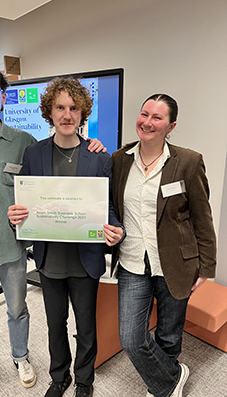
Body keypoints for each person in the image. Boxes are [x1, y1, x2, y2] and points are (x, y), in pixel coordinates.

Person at [0, 62, 104, 396]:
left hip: (26, 250)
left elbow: (89, 197)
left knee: (28, 312)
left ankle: (37, 363)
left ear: (3, 96)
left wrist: (95, 146)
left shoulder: (32, 144)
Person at [8, 77, 124, 397]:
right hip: (49, 260)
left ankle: (84, 381)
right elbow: (26, 204)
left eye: (74, 108)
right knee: (55, 325)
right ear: (50, 111)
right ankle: (60, 377)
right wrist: (16, 216)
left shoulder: (99, 156)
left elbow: (108, 207)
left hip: (85, 259)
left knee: (86, 328)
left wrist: (115, 230)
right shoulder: (34, 153)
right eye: (60, 107)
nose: (67, 114)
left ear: (83, 112)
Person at [111, 94, 217, 397]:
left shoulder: (188, 161)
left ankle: (161, 388)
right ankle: (172, 377)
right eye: (144, 114)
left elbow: (202, 217)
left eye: (157, 117)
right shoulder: (120, 159)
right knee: (131, 338)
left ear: (171, 125)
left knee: (169, 334)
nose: (147, 122)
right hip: (132, 261)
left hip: (176, 261)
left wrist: (206, 267)